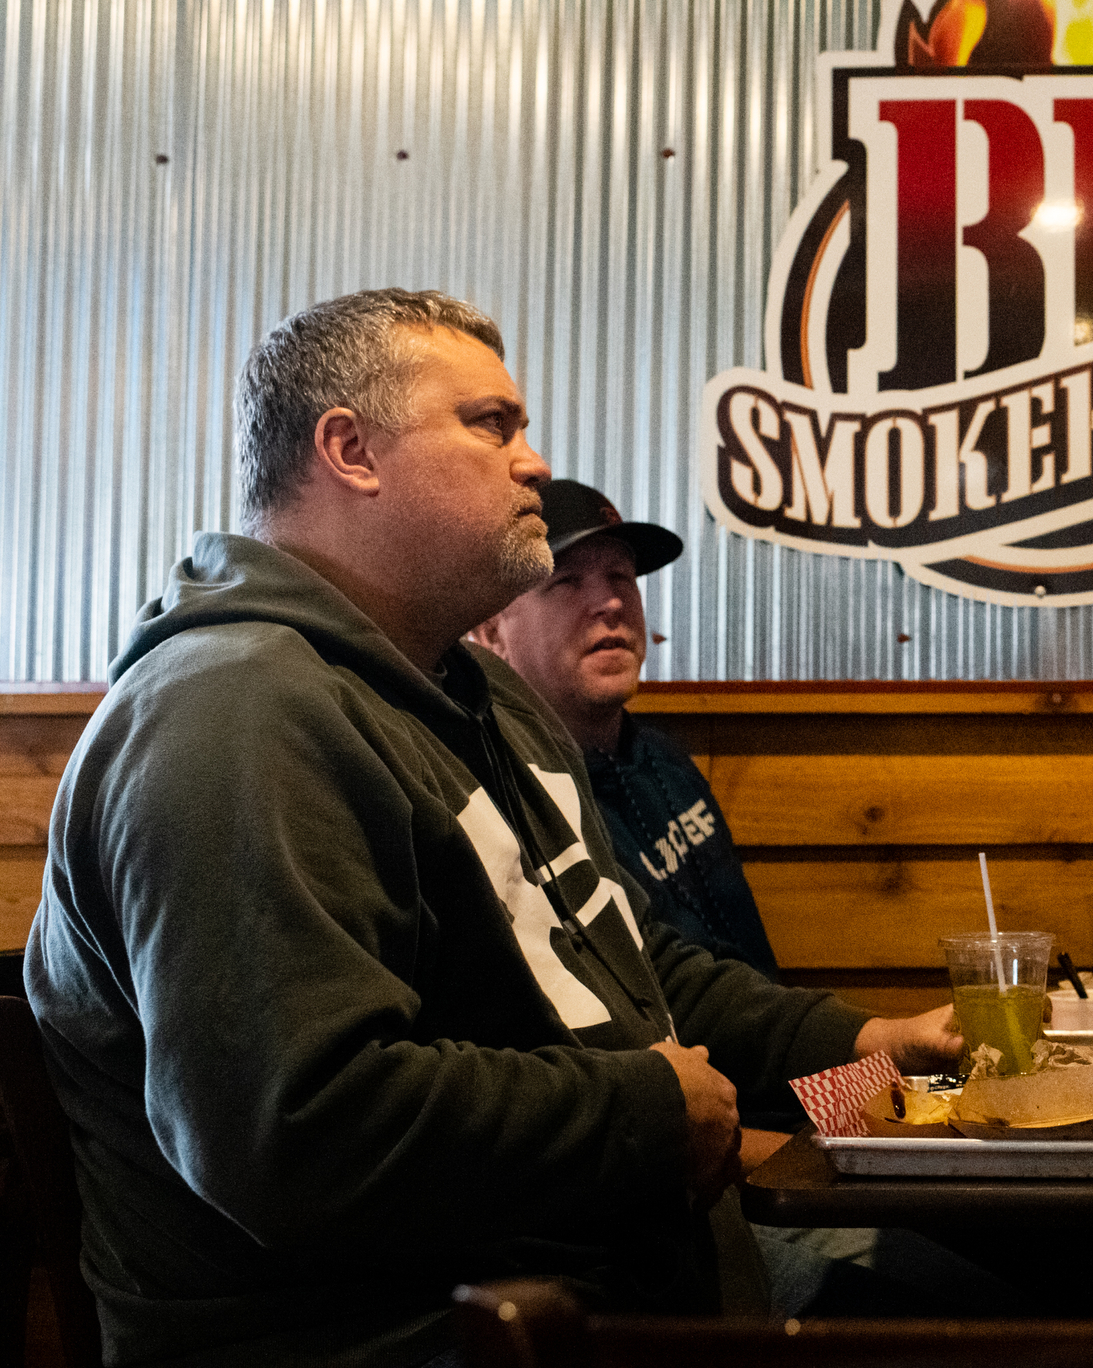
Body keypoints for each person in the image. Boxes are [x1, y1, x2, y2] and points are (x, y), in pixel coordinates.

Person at [26, 291, 985, 1368]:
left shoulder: (479, 691)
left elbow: (623, 963)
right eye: (492, 425)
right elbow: (293, 1131)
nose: (532, 461)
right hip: (404, 1339)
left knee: (983, 1274)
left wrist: (863, 1045)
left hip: (611, 1288)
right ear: (350, 449)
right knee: (966, 1302)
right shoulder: (237, 713)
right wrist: (647, 1114)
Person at [472, 479, 958, 1132]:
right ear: (491, 629)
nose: (611, 601)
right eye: (567, 582)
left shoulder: (666, 763)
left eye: (622, 575)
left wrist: (887, 1050)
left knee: (1004, 1149)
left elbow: (737, 985)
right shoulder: (517, 808)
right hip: (709, 1141)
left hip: (803, 1094)